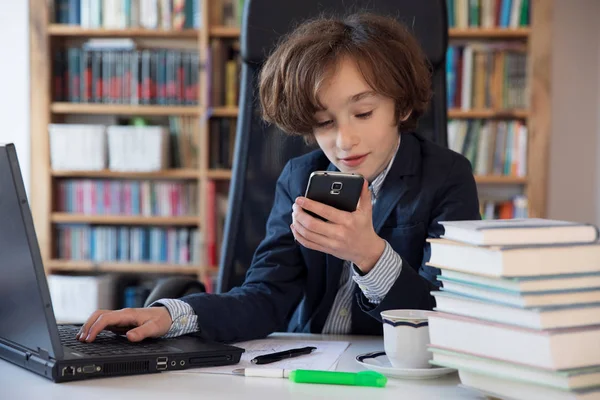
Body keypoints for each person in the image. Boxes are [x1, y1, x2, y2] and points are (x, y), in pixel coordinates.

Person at [77, 12, 480, 344]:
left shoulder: (447, 176)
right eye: (324, 122)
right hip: (307, 364)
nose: (344, 141)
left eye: (363, 113)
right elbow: (264, 297)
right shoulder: (301, 177)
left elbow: (443, 311)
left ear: (401, 106)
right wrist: (172, 315)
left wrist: (368, 254)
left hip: (396, 371)